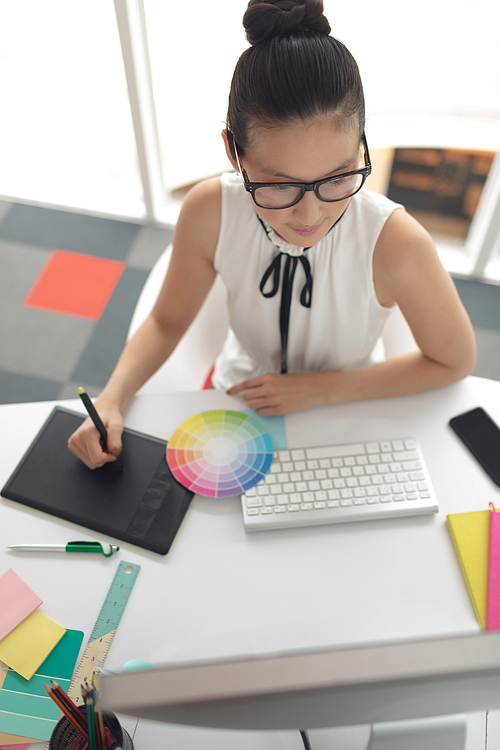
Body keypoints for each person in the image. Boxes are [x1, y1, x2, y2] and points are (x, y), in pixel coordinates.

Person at [68, 0, 476, 470]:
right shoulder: (210, 210)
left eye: (338, 177)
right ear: (233, 152)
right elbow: (166, 322)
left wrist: (318, 390)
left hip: (355, 412)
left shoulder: (395, 240)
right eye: (279, 185)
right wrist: (112, 398)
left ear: (362, 143)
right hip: (241, 399)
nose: (310, 214)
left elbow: (455, 360)